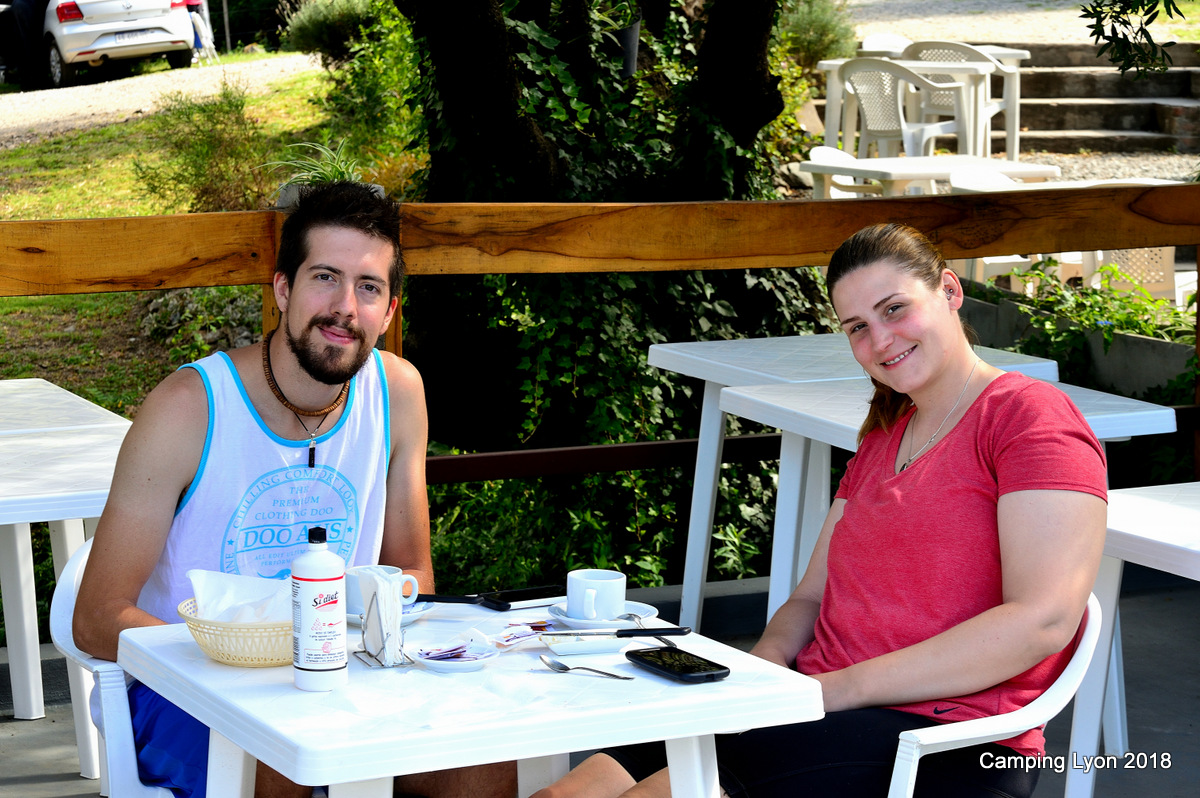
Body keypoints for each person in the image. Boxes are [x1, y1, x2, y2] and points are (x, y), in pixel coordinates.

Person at [533, 223, 1108, 798]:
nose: (881, 340)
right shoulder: (884, 436)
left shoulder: (1028, 419)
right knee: (565, 793)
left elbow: (1043, 620)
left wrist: (832, 691)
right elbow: (811, 597)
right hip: (816, 707)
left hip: (942, 741)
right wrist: (763, 670)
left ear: (950, 291)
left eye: (895, 309)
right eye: (858, 327)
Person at [74, 181, 517, 798]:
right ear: (283, 289)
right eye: (325, 278)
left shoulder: (398, 393)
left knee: (485, 765)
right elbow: (96, 617)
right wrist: (233, 660)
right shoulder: (188, 408)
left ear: (389, 313)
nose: (345, 307)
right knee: (289, 761)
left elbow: (413, 575)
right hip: (185, 690)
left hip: (339, 680)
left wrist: (353, 640)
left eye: (368, 287)